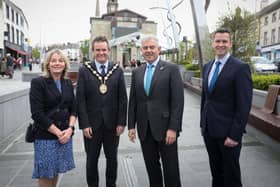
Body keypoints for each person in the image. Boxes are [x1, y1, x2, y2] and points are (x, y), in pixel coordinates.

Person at [128, 35, 184, 187]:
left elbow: (178, 102)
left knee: (171, 171)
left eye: (152, 47)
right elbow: (133, 101)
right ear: (141, 51)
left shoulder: (171, 69)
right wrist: (131, 126)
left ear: (159, 49)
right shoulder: (137, 72)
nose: (149, 50)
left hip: (166, 129)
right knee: (152, 169)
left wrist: (173, 128)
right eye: (145, 48)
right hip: (145, 129)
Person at [200, 28, 253, 187]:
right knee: (216, 173)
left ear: (230, 44)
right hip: (209, 131)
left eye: (224, 41)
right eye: (218, 41)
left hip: (228, 134)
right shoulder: (207, 67)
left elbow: (244, 105)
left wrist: (235, 135)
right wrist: (203, 125)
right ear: (212, 43)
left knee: (231, 176)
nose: (220, 44)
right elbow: (206, 99)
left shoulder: (240, 68)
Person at [76, 36, 127, 187]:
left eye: (104, 50)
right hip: (91, 126)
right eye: (97, 50)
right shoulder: (84, 70)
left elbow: (123, 99)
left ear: (109, 51)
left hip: (112, 125)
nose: (101, 53)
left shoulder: (117, 70)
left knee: (112, 160)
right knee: (91, 160)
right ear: (93, 51)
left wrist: (121, 122)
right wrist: (84, 124)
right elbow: (80, 100)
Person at [29, 49, 77, 187]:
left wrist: (70, 129)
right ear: (47, 64)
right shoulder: (38, 83)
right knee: (45, 174)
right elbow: (37, 113)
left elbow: (74, 108)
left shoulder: (68, 83)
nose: (57, 63)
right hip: (46, 136)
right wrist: (58, 133)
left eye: (60, 60)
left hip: (65, 135)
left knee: (56, 170)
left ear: (65, 64)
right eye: (53, 60)